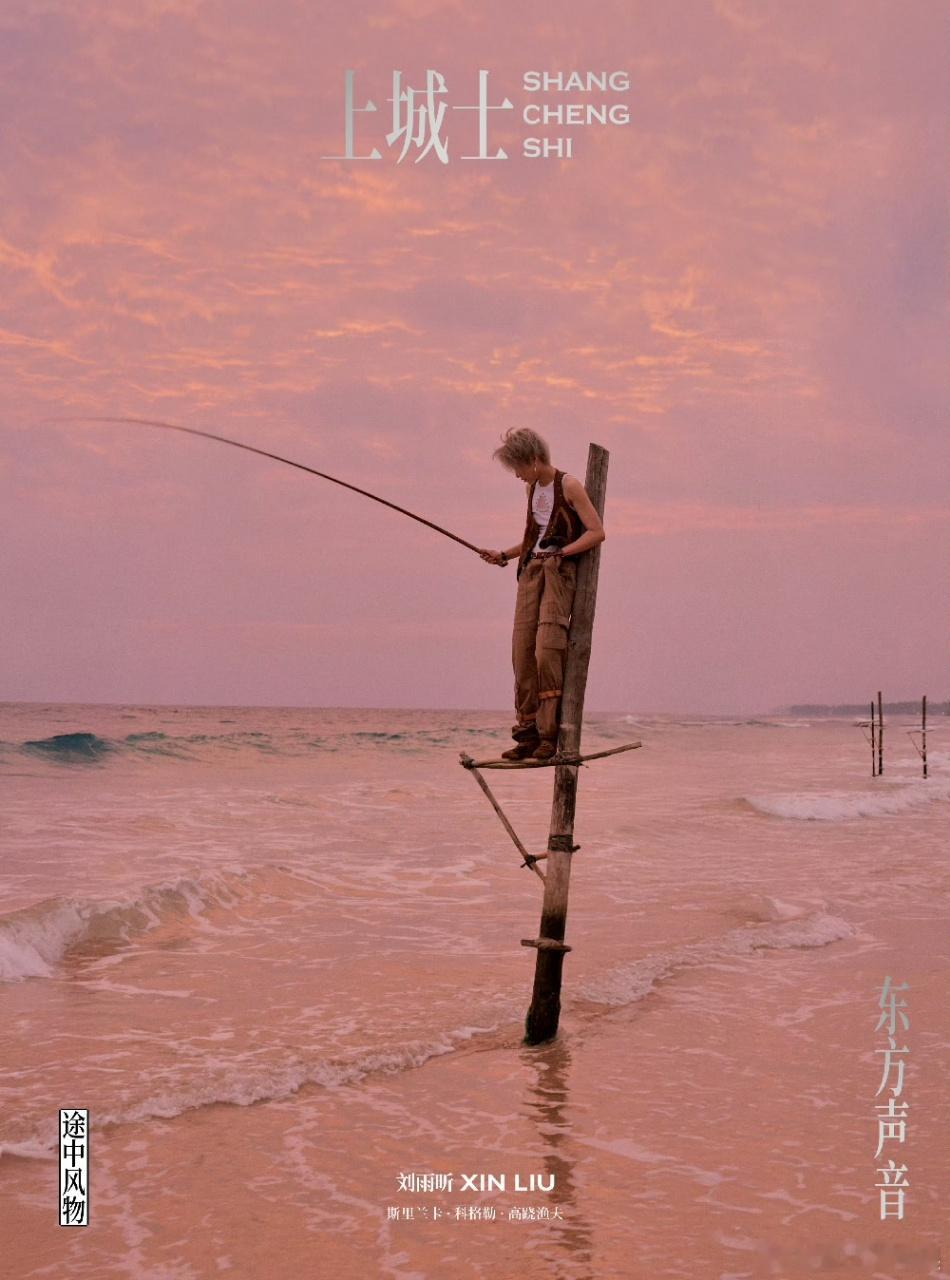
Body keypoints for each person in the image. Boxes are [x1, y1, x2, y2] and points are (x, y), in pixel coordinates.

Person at [479, 428, 606, 760]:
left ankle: (549, 736)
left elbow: (596, 532)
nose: (518, 476)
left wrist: (562, 554)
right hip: (531, 574)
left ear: (533, 460)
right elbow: (532, 539)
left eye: (518, 468)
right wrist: (504, 555)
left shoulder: (570, 486)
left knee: (546, 650)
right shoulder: (532, 490)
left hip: (558, 573)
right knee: (522, 653)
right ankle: (527, 735)